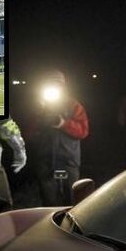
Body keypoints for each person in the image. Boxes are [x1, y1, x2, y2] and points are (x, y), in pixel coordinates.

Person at [30, 69, 89, 206]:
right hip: (45, 161)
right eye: (51, 85)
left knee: (73, 197)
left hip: (69, 160)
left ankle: (72, 223)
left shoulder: (74, 105)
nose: (55, 88)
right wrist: (39, 115)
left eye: (58, 85)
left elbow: (83, 131)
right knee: (49, 199)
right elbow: (30, 133)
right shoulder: (40, 106)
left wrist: (63, 124)